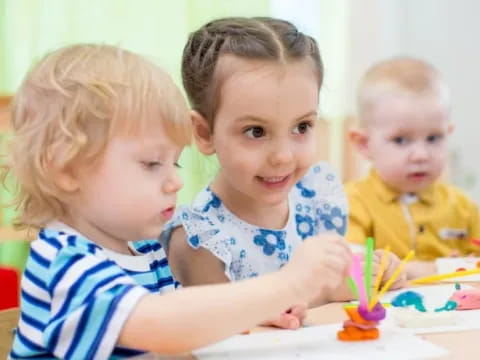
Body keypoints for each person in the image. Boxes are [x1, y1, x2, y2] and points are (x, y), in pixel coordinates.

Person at [5, 43, 354, 359]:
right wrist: (288, 283)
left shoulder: (143, 251)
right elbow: (160, 326)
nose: (176, 181)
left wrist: (255, 311)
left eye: (174, 162)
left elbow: (184, 324)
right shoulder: (67, 265)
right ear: (67, 170)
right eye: (152, 164)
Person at [161, 16, 405, 330]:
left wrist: (375, 271)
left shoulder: (313, 199)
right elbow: (225, 332)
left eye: (301, 127)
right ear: (204, 132)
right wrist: (328, 288)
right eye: (255, 131)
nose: (283, 156)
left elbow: (342, 275)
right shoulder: (200, 240)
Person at [346, 57, 480, 279]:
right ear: (364, 144)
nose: (421, 155)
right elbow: (354, 271)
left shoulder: (464, 208)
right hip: (385, 313)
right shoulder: (352, 204)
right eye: (401, 140)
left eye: (434, 138)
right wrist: (439, 268)